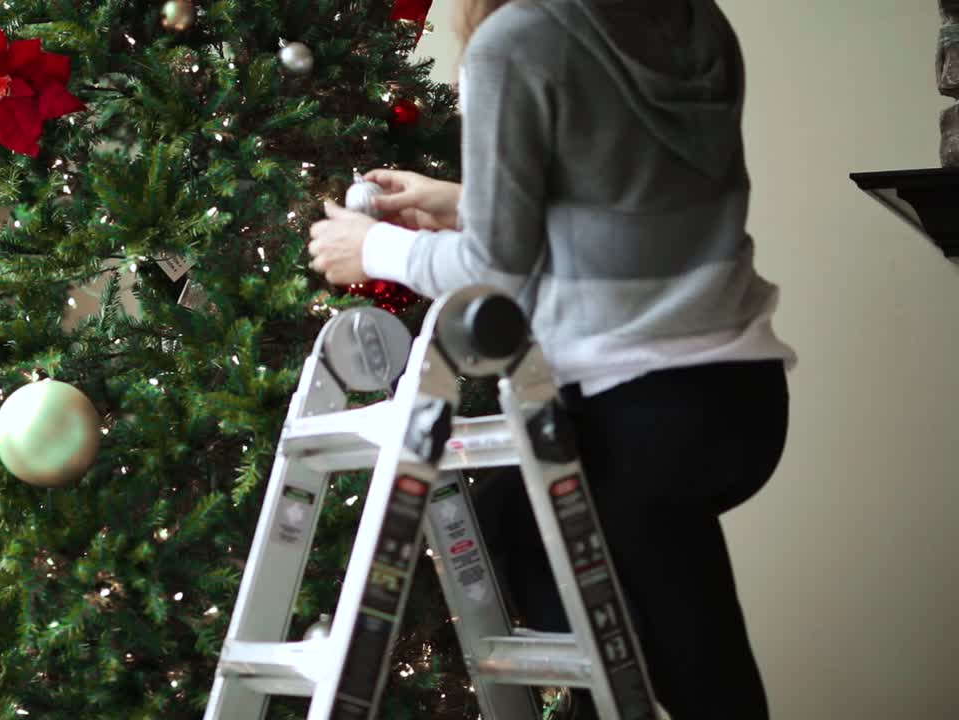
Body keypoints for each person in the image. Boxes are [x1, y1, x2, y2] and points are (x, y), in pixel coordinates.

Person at [307, 0, 796, 718]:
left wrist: (373, 249)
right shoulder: (694, 20)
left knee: (525, 560)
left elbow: (496, 273)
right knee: (695, 651)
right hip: (739, 403)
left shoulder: (521, 37)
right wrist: (459, 201)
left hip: (632, 414)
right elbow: (625, 193)